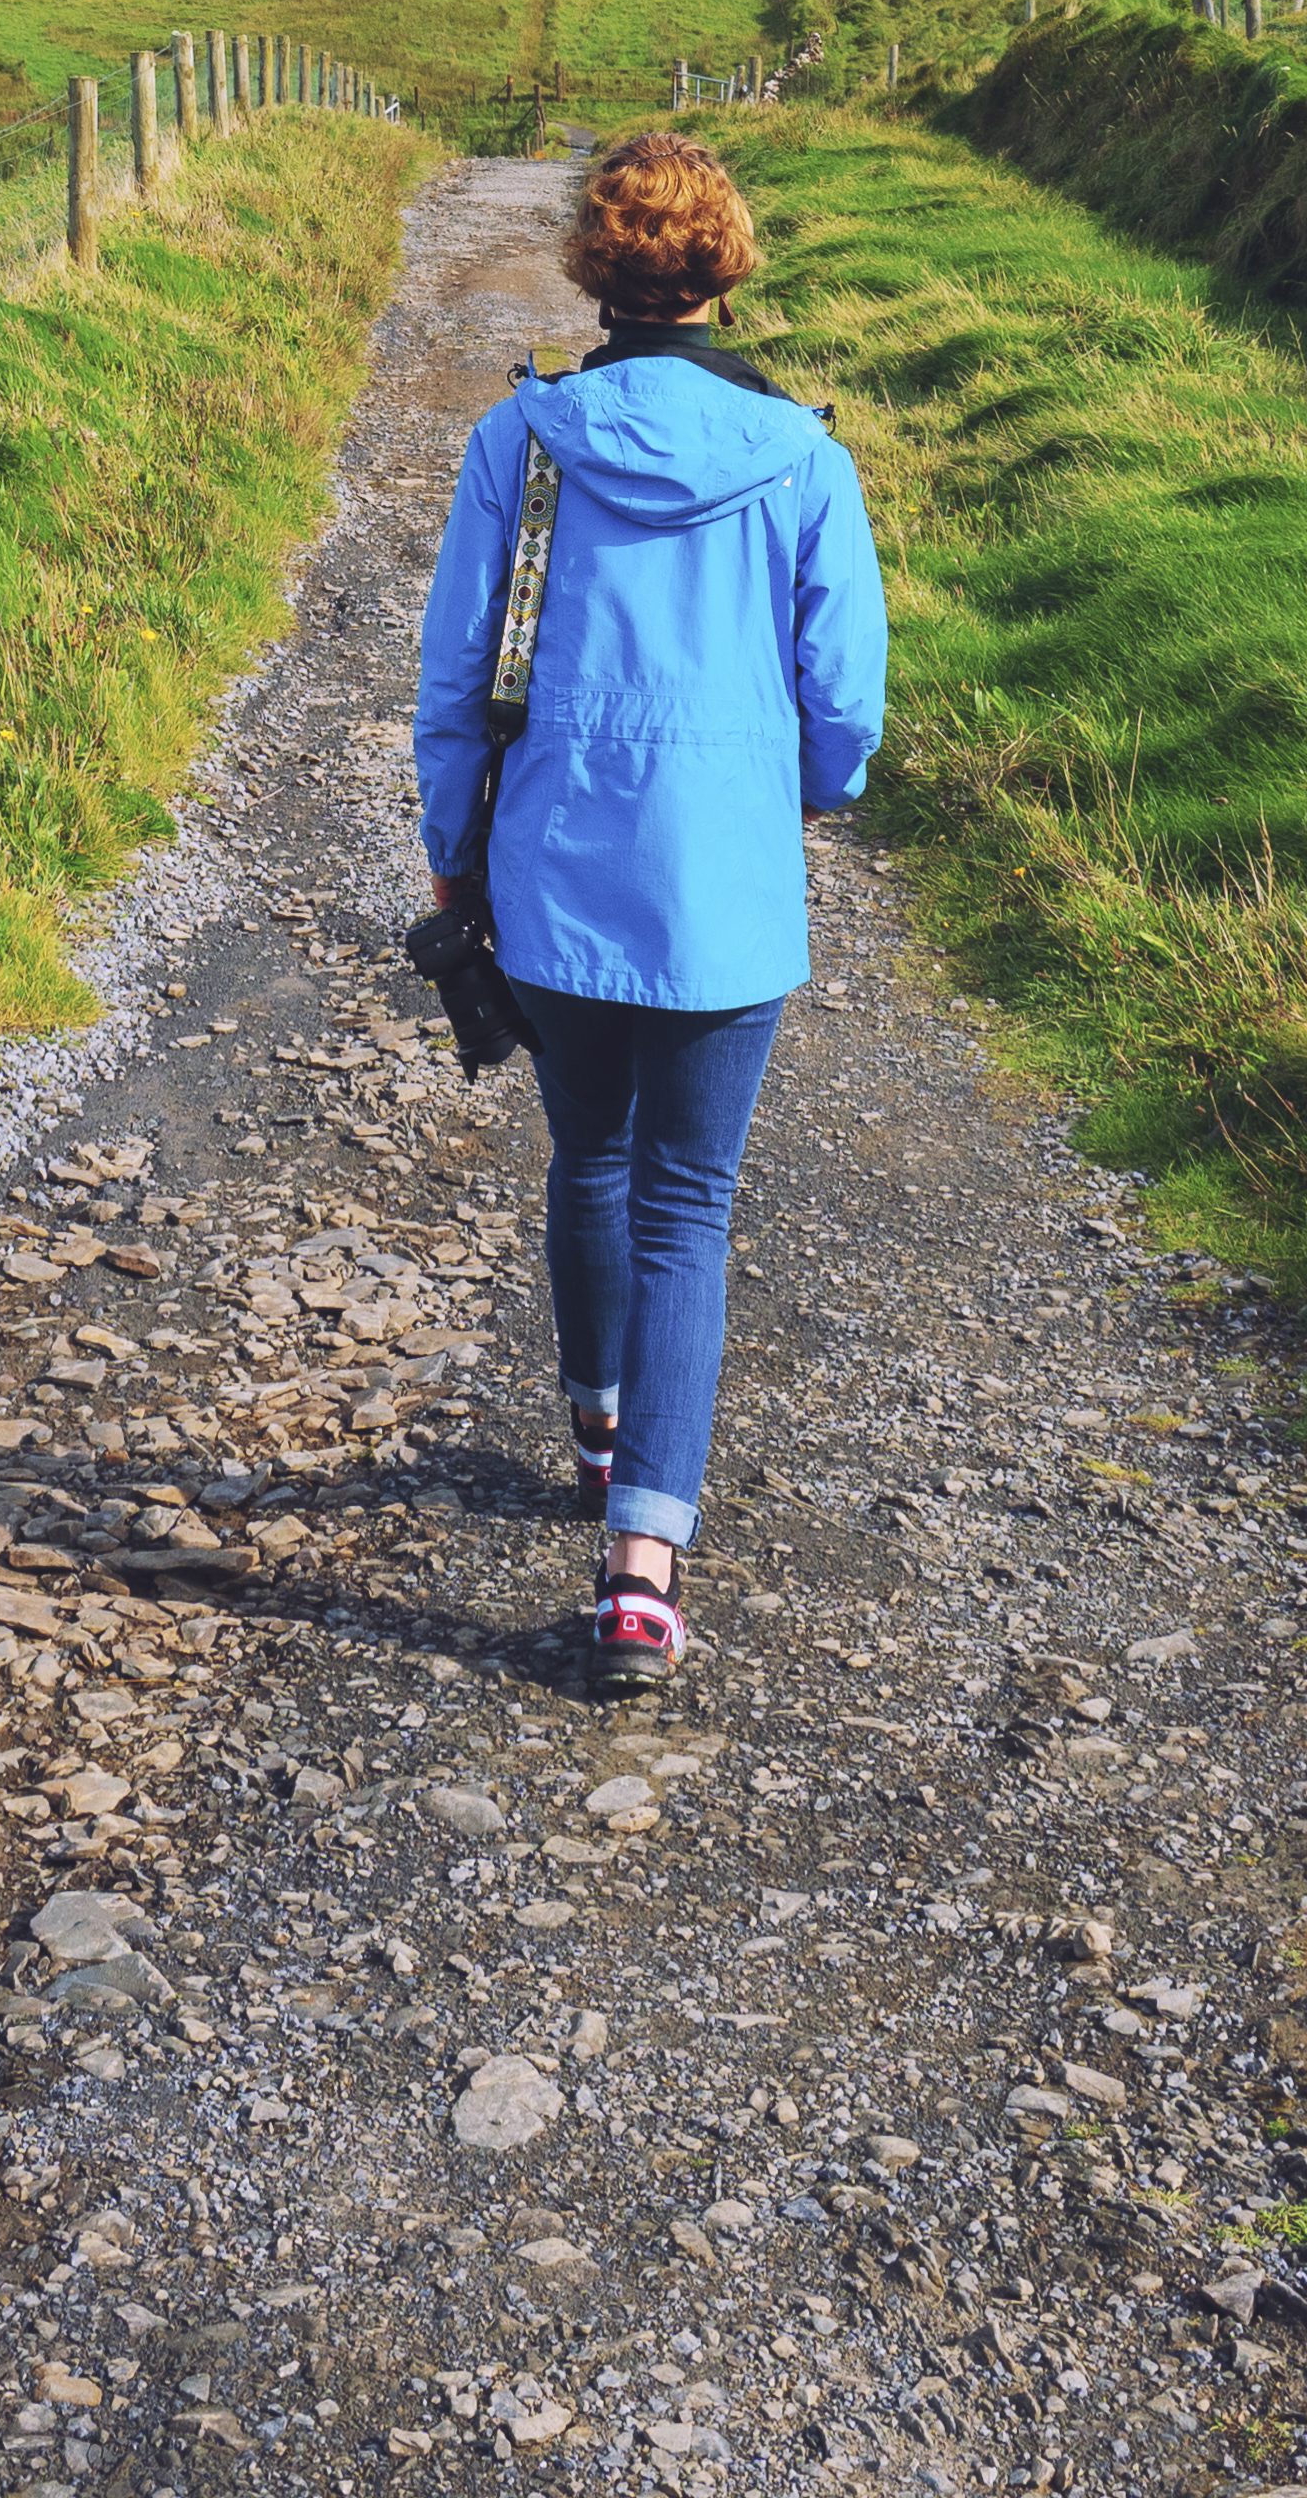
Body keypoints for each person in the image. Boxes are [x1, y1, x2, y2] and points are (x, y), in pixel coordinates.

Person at [410, 130, 887, 1667]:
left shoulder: (526, 438)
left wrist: (448, 844)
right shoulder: (805, 454)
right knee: (691, 1204)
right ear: (724, 269)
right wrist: (814, 789)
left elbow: (456, 665)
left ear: (592, 267)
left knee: (588, 1160)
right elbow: (844, 692)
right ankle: (641, 1570)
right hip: (724, 870)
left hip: (555, 855)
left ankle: (596, 1425)